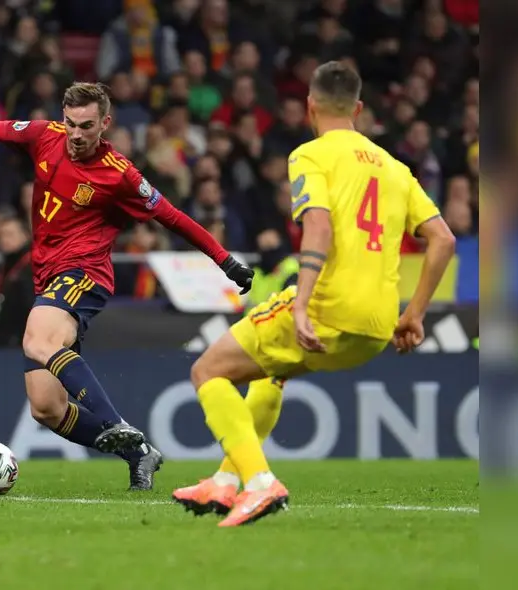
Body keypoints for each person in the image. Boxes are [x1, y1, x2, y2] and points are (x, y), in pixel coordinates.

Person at [0, 82, 253, 491]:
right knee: (46, 407)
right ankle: (138, 454)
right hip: (47, 277)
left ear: (105, 124)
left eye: (86, 125)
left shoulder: (120, 175)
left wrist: (225, 261)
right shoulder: (46, 136)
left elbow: (173, 217)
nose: (77, 135)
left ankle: (119, 425)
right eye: (71, 123)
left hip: (85, 274)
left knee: (38, 341)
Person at [172, 61, 457, 526]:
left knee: (208, 371)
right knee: (270, 374)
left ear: (310, 107)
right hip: (378, 326)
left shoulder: (311, 155)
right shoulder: (396, 168)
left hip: (328, 309)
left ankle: (260, 483)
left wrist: (301, 304)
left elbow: (318, 225)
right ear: (359, 109)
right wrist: (415, 315)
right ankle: (225, 483)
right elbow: (443, 238)